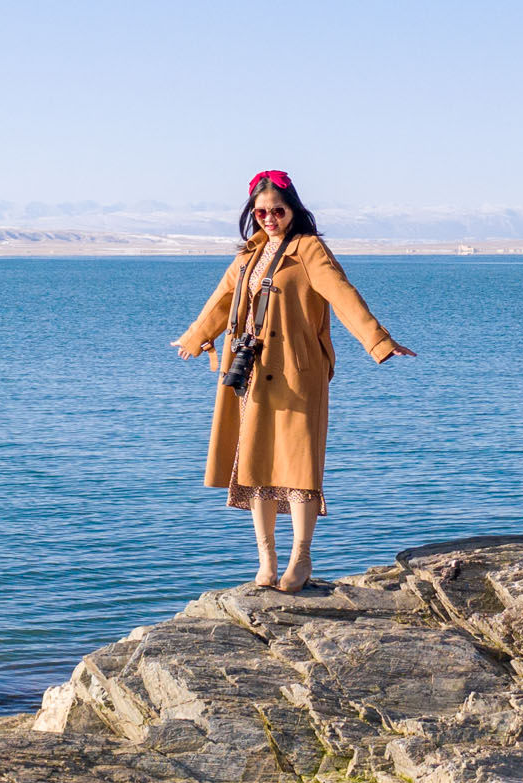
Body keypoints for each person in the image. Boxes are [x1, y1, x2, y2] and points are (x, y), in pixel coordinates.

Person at [173, 170, 415, 591]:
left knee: (299, 467)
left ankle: (300, 560)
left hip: (297, 373)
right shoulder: (248, 255)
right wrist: (196, 337)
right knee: (256, 467)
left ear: (293, 210)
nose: (269, 218)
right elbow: (222, 300)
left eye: (277, 210)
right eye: (261, 211)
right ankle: (266, 562)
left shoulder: (309, 250)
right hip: (251, 375)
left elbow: (343, 295)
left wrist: (379, 341)